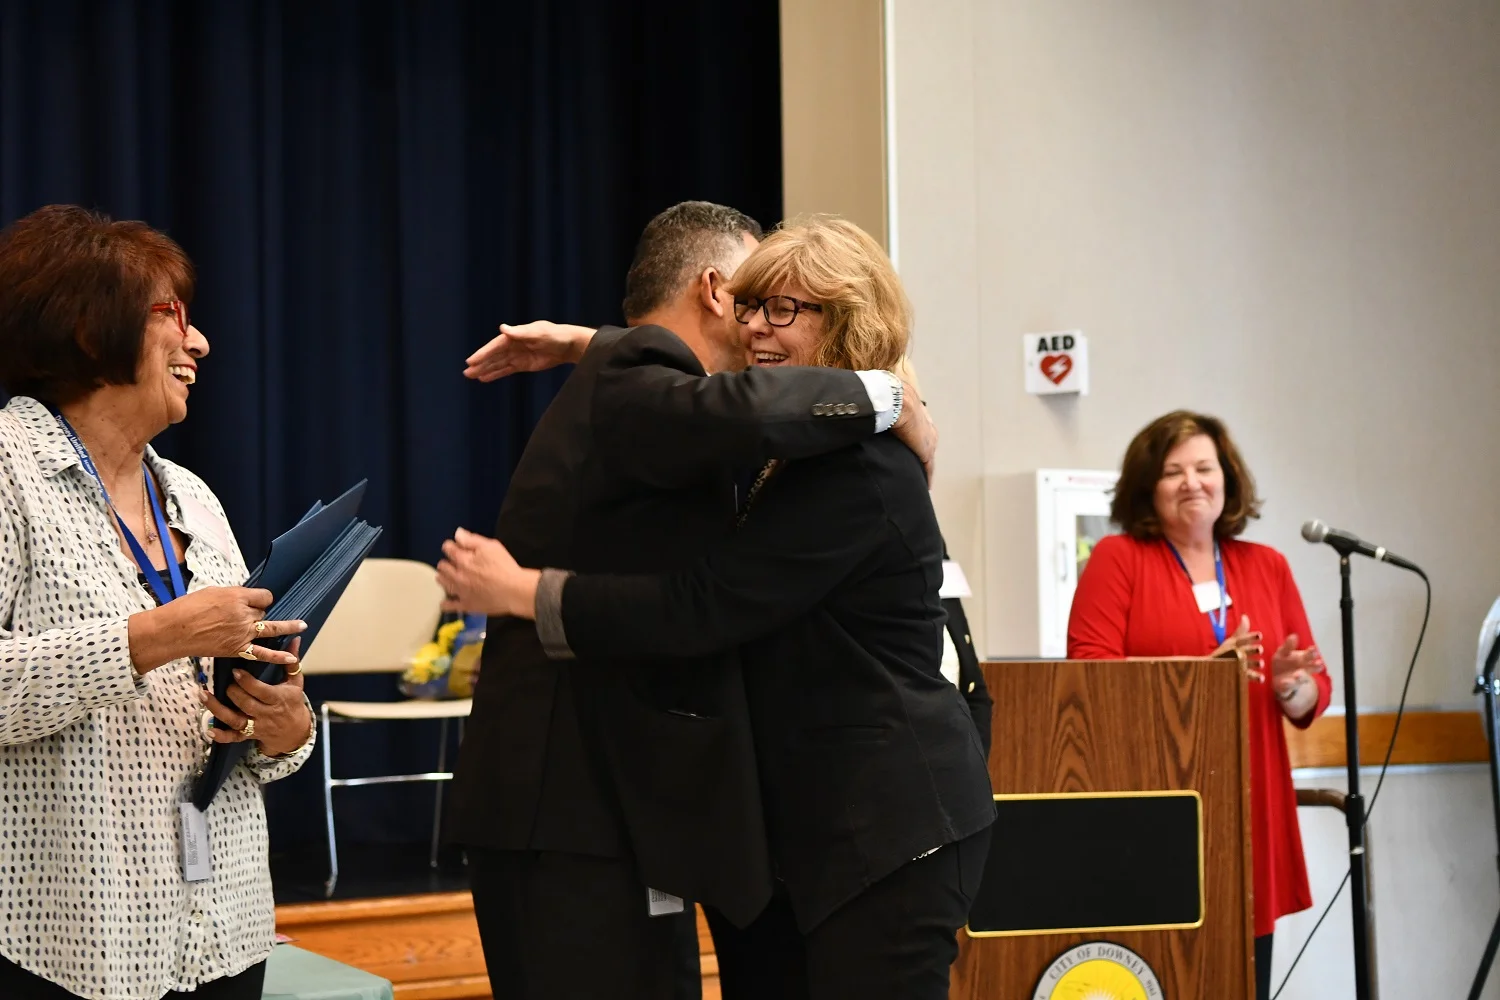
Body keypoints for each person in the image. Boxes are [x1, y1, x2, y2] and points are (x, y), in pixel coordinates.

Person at [440, 216, 996, 1000]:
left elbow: (706, 604)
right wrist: (589, 344)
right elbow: (698, 397)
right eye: (749, 305)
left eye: (782, 309)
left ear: (848, 320)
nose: (755, 328)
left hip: (881, 830)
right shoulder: (806, 454)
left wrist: (526, 592)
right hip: (817, 830)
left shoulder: (860, 464)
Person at [0, 205, 316, 1000]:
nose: (199, 342)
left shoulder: (195, 498)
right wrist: (151, 638)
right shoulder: (9, 472)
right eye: (171, 314)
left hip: (227, 927)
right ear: (84, 327)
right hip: (74, 940)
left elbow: (261, 726)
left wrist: (286, 727)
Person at [1065, 410, 1331, 1000]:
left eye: (1204, 468)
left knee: (1246, 978)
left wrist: (1289, 685)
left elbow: (1311, 693)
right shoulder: (1118, 560)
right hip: (1153, 803)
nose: (1192, 482)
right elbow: (1088, 679)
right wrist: (1207, 673)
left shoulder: (1267, 566)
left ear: (1226, 479)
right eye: (1173, 471)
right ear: (1147, 487)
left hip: (1249, 800)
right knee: (1163, 971)